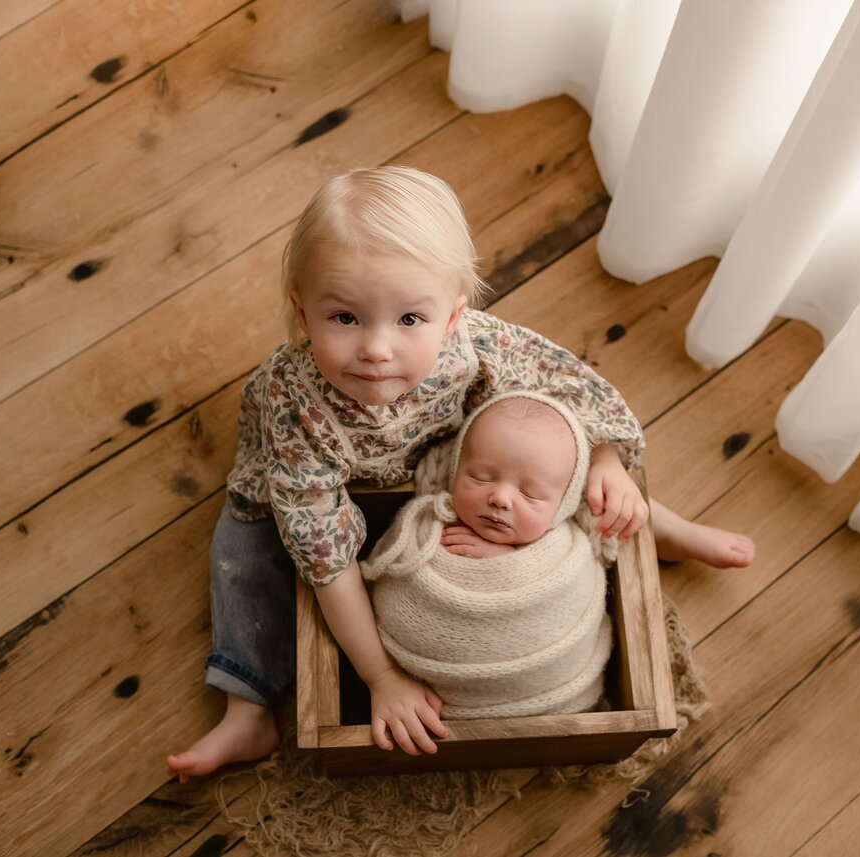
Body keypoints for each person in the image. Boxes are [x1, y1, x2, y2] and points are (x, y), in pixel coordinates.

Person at [166, 165, 754, 781]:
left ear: (451, 318)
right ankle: (249, 706)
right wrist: (382, 675)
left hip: (447, 457)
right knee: (243, 548)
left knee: (549, 459)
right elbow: (327, 560)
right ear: (303, 311)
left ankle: (663, 528)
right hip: (314, 487)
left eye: (409, 320)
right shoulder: (296, 408)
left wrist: (606, 459)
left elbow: (570, 387)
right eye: (344, 318)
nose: (376, 349)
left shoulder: (475, 345)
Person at [363, 392, 615, 719]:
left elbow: (575, 598)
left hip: (554, 698)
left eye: (531, 493)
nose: (500, 497)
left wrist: (510, 559)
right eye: (481, 477)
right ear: (455, 469)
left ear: (562, 505)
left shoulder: (567, 553)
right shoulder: (421, 534)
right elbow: (392, 592)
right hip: (427, 706)